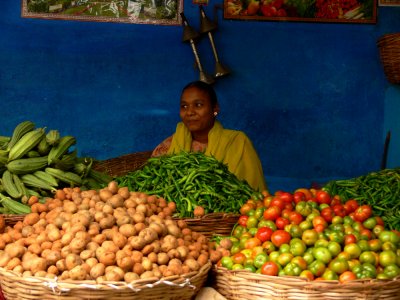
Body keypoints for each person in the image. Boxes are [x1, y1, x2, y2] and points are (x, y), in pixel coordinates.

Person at [152, 81, 267, 192]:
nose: (189, 112)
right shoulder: (168, 146)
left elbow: (252, 195)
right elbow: (152, 187)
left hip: (229, 212)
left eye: (198, 105)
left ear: (215, 109)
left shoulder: (237, 142)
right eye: (184, 106)